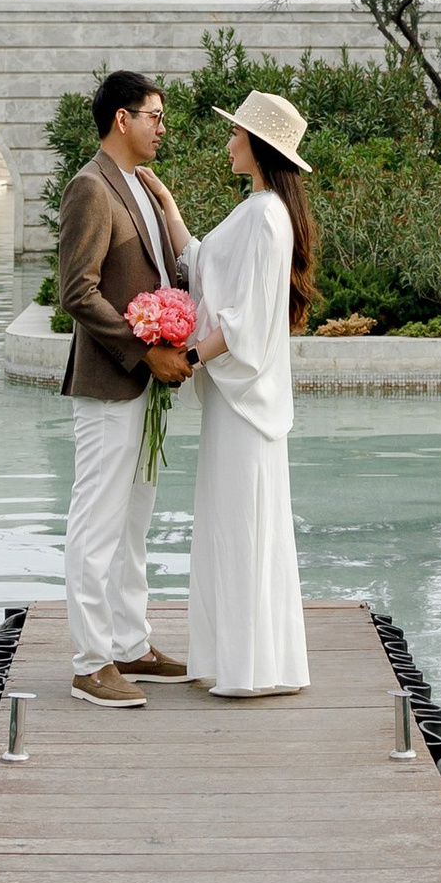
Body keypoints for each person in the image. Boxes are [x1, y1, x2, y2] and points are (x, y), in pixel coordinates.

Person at [54, 68, 198, 708]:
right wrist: (145, 349)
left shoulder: (140, 185)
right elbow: (76, 292)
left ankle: (131, 644)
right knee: (97, 523)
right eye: (155, 116)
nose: (162, 128)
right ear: (123, 118)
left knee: (134, 521)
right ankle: (90, 663)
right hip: (110, 381)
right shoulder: (90, 188)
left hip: (144, 385)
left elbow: (166, 271)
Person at [185, 89, 313, 701]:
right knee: (234, 521)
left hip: (244, 405)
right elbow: (208, 266)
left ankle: (250, 666)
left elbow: (247, 320)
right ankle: (249, 659)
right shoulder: (260, 208)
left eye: (236, 132)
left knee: (241, 522)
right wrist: (165, 206)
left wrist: (187, 355)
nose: (229, 140)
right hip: (235, 403)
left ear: (257, 145)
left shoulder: (265, 215)